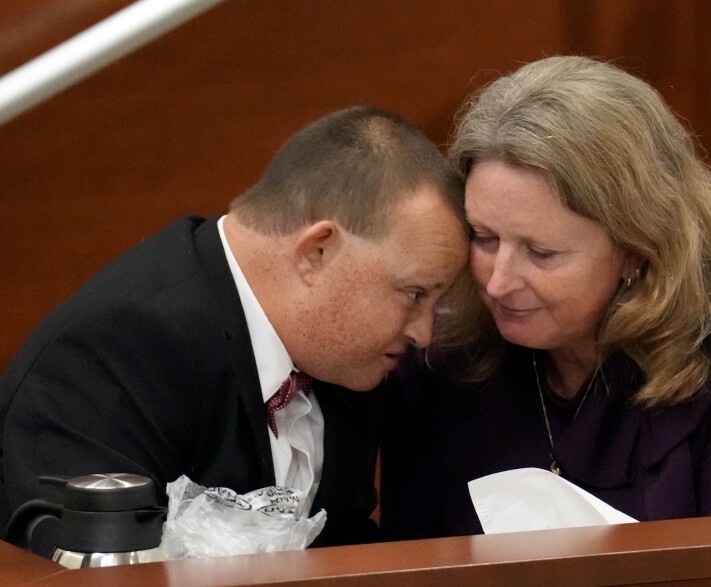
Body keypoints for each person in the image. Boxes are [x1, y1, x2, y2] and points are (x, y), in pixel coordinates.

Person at [379, 56, 711, 540]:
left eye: (541, 253)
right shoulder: (443, 353)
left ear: (636, 248)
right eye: (484, 238)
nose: (498, 283)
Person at [0, 105, 469, 550]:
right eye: (414, 294)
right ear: (317, 251)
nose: (423, 334)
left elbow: (339, 546)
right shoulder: (117, 348)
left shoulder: (342, 354)